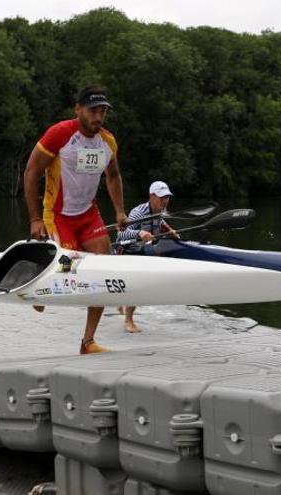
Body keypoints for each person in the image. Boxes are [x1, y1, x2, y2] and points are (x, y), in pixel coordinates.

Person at [23, 85, 127, 355]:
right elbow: (31, 172)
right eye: (93, 111)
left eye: (102, 111)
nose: (98, 117)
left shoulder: (108, 141)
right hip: (57, 215)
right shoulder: (60, 134)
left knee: (104, 273)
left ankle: (88, 342)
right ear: (78, 109)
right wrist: (35, 218)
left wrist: (119, 212)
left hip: (89, 214)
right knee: (65, 273)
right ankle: (38, 281)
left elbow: (113, 176)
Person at [116, 181, 179, 334]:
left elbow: (160, 221)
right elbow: (121, 233)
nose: (165, 201)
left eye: (167, 198)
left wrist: (170, 230)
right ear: (152, 197)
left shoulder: (161, 210)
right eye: (162, 197)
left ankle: (121, 303)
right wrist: (139, 233)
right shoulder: (138, 212)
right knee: (138, 283)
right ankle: (128, 320)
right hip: (126, 249)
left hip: (144, 248)